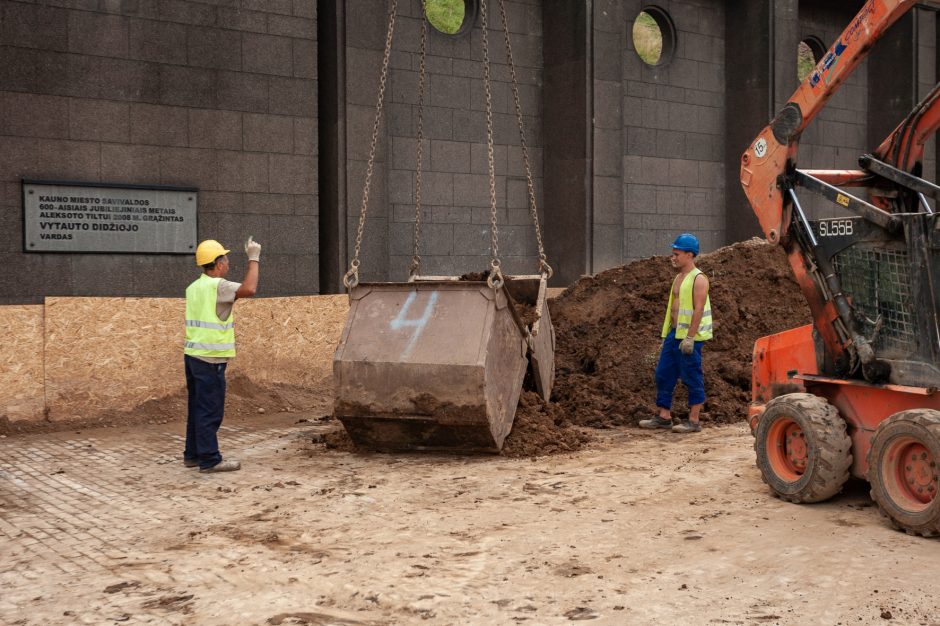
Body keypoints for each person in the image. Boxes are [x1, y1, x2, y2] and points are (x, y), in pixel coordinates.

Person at [183, 237, 262, 472]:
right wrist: (254, 258)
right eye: (225, 259)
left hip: (193, 355)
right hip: (211, 359)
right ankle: (209, 459)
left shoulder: (193, 287)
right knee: (210, 410)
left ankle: (193, 454)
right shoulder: (219, 286)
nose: (228, 263)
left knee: (196, 407)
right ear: (217, 264)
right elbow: (250, 288)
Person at [639, 233, 712, 434]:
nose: (672, 257)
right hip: (674, 334)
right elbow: (673, 309)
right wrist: (667, 336)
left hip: (690, 337)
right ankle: (664, 416)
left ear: (689, 255)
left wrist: (690, 337)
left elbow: (698, 309)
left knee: (691, 375)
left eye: (676, 253)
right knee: (664, 373)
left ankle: (694, 420)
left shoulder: (699, 279)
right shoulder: (679, 278)